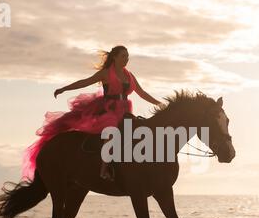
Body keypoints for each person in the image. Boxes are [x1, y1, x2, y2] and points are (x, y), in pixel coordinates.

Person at [21, 45, 163, 182]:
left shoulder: (129, 75)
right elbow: (85, 82)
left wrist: (159, 103)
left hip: (125, 110)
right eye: (123, 56)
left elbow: (141, 92)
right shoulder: (106, 73)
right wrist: (65, 88)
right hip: (110, 110)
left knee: (139, 131)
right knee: (112, 133)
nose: (126, 59)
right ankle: (104, 168)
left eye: (128, 56)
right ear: (114, 57)